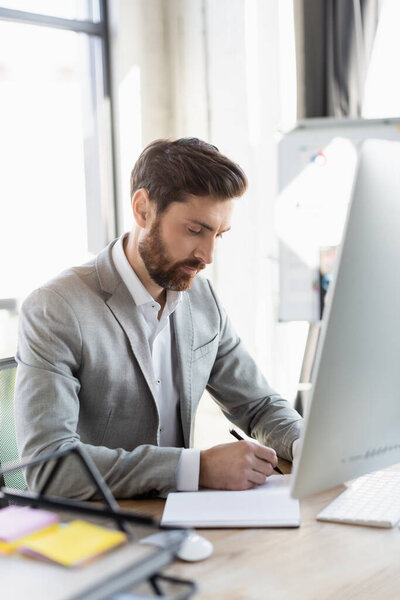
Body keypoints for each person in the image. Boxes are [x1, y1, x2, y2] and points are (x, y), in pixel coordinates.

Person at [15, 138, 302, 500]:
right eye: (195, 230)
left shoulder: (203, 298)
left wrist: (305, 442)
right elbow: (49, 465)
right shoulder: (56, 308)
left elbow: (259, 406)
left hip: (175, 520)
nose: (207, 255)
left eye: (219, 235)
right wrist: (197, 468)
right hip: (94, 530)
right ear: (143, 210)